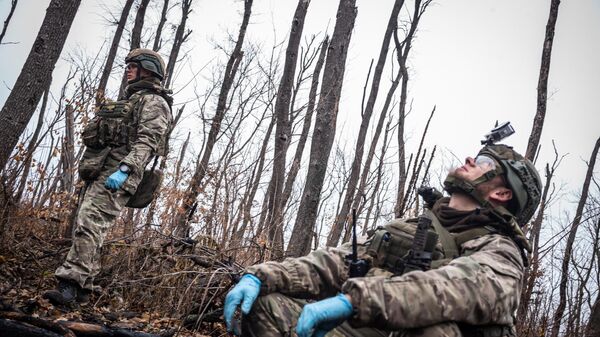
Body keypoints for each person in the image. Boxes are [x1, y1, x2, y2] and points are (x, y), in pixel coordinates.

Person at [224, 144, 542, 337]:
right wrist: (260, 276)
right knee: (265, 306)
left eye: (486, 164)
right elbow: (339, 261)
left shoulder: (502, 252)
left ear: (502, 193)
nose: (472, 159)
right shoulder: (413, 226)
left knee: (431, 330)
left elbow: (452, 290)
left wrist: (355, 301)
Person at [44, 49, 173, 307]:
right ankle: (83, 289)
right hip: (103, 170)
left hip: (120, 173)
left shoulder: (154, 102)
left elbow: (148, 141)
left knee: (89, 222)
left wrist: (125, 170)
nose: (128, 70)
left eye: (134, 66)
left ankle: (70, 284)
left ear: (148, 69)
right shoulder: (133, 100)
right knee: (91, 225)